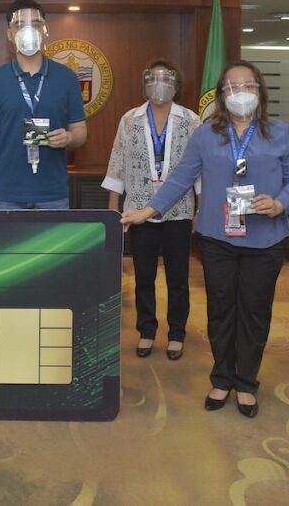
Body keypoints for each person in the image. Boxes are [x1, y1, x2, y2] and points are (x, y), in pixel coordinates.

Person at [122, 60, 289, 418]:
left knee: (254, 312)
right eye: (232, 87)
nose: (241, 93)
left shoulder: (281, 134)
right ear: (222, 96)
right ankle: (222, 377)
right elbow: (180, 179)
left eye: (248, 86)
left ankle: (247, 381)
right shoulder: (206, 135)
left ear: (260, 90)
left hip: (266, 240)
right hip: (217, 238)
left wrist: (281, 203)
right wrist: (148, 211)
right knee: (221, 310)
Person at [103, 60, 201, 360]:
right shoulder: (130, 119)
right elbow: (118, 161)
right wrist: (113, 209)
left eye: (166, 79)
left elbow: (199, 167)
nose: (159, 85)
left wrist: (202, 208)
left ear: (176, 83)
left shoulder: (191, 120)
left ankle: (176, 333)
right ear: (145, 83)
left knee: (177, 277)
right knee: (143, 275)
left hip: (179, 210)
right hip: (138, 209)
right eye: (153, 79)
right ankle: (146, 330)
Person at [0, 0, 87, 209]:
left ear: (45, 31)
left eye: (35, 24)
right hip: (5, 196)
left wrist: (69, 137)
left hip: (53, 195)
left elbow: (81, 131)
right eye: (19, 25)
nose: (28, 30)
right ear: (10, 34)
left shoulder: (67, 78)